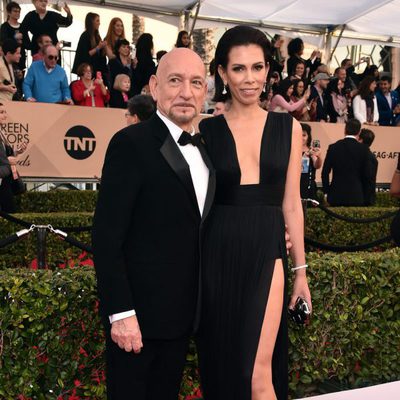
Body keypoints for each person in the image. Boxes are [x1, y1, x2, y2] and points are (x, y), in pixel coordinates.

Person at [92, 47, 215, 400]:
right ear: (154, 86)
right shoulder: (130, 143)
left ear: (204, 90)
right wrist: (121, 313)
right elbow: (106, 236)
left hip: (184, 319)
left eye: (195, 83)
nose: (185, 92)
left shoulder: (207, 148)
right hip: (139, 321)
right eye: (175, 81)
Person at [198, 25, 311, 400]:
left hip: (267, 250)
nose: (250, 79)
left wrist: (301, 273)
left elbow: (291, 203)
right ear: (222, 73)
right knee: (224, 365)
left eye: (257, 68)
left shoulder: (289, 128)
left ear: (268, 71)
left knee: (257, 373)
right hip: (217, 253)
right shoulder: (206, 131)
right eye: (239, 69)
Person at [322, 119, 373, 206]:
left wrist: (327, 192)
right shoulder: (364, 150)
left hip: (335, 195)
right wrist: (366, 197)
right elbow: (368, 176)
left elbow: (325, 172)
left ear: (345, 129)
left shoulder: (333, 147)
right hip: (356, 196)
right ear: (359, 132)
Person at [0, 102, 27, 212]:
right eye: (1, 112)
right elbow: (5, 159)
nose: (5, 115)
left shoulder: (1, 132)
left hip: (6, 181)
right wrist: (8, 161)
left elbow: (4, 155)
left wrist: (16, 152)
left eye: (4, 112)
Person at [72, 12, 107, 79]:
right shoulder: (85, 36)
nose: (99, 23)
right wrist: (98, 47)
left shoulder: (97, 36)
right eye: (97, 21)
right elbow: (85, 54)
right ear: (91, 22)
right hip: (87, 69)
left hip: (96, 68)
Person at [0, 1, 26, 72]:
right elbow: (3, 41)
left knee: (20, 80)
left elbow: (27, 43)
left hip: (21, 59)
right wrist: (14, 37)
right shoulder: (4, 26)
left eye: (18, 11)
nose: (17, 13)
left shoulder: (22, 26)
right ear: (9, 12)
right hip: (9, 59)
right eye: (15, 11)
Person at [300, 123, 322, 200]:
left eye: (304, 135)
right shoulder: (292, 151)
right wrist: (304, 157)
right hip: (295, 186)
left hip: (309, 187)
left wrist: (319, 156)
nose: (301, 137)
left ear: (308, 136)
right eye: (299, 134)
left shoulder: (311, 151)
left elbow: (317, 165)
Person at [359, 128, 378, 205]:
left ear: (361, 140)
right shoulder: (371, 156)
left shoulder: (367, 157)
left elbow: (367, 177)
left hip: (364, 199)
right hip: (367, 198)